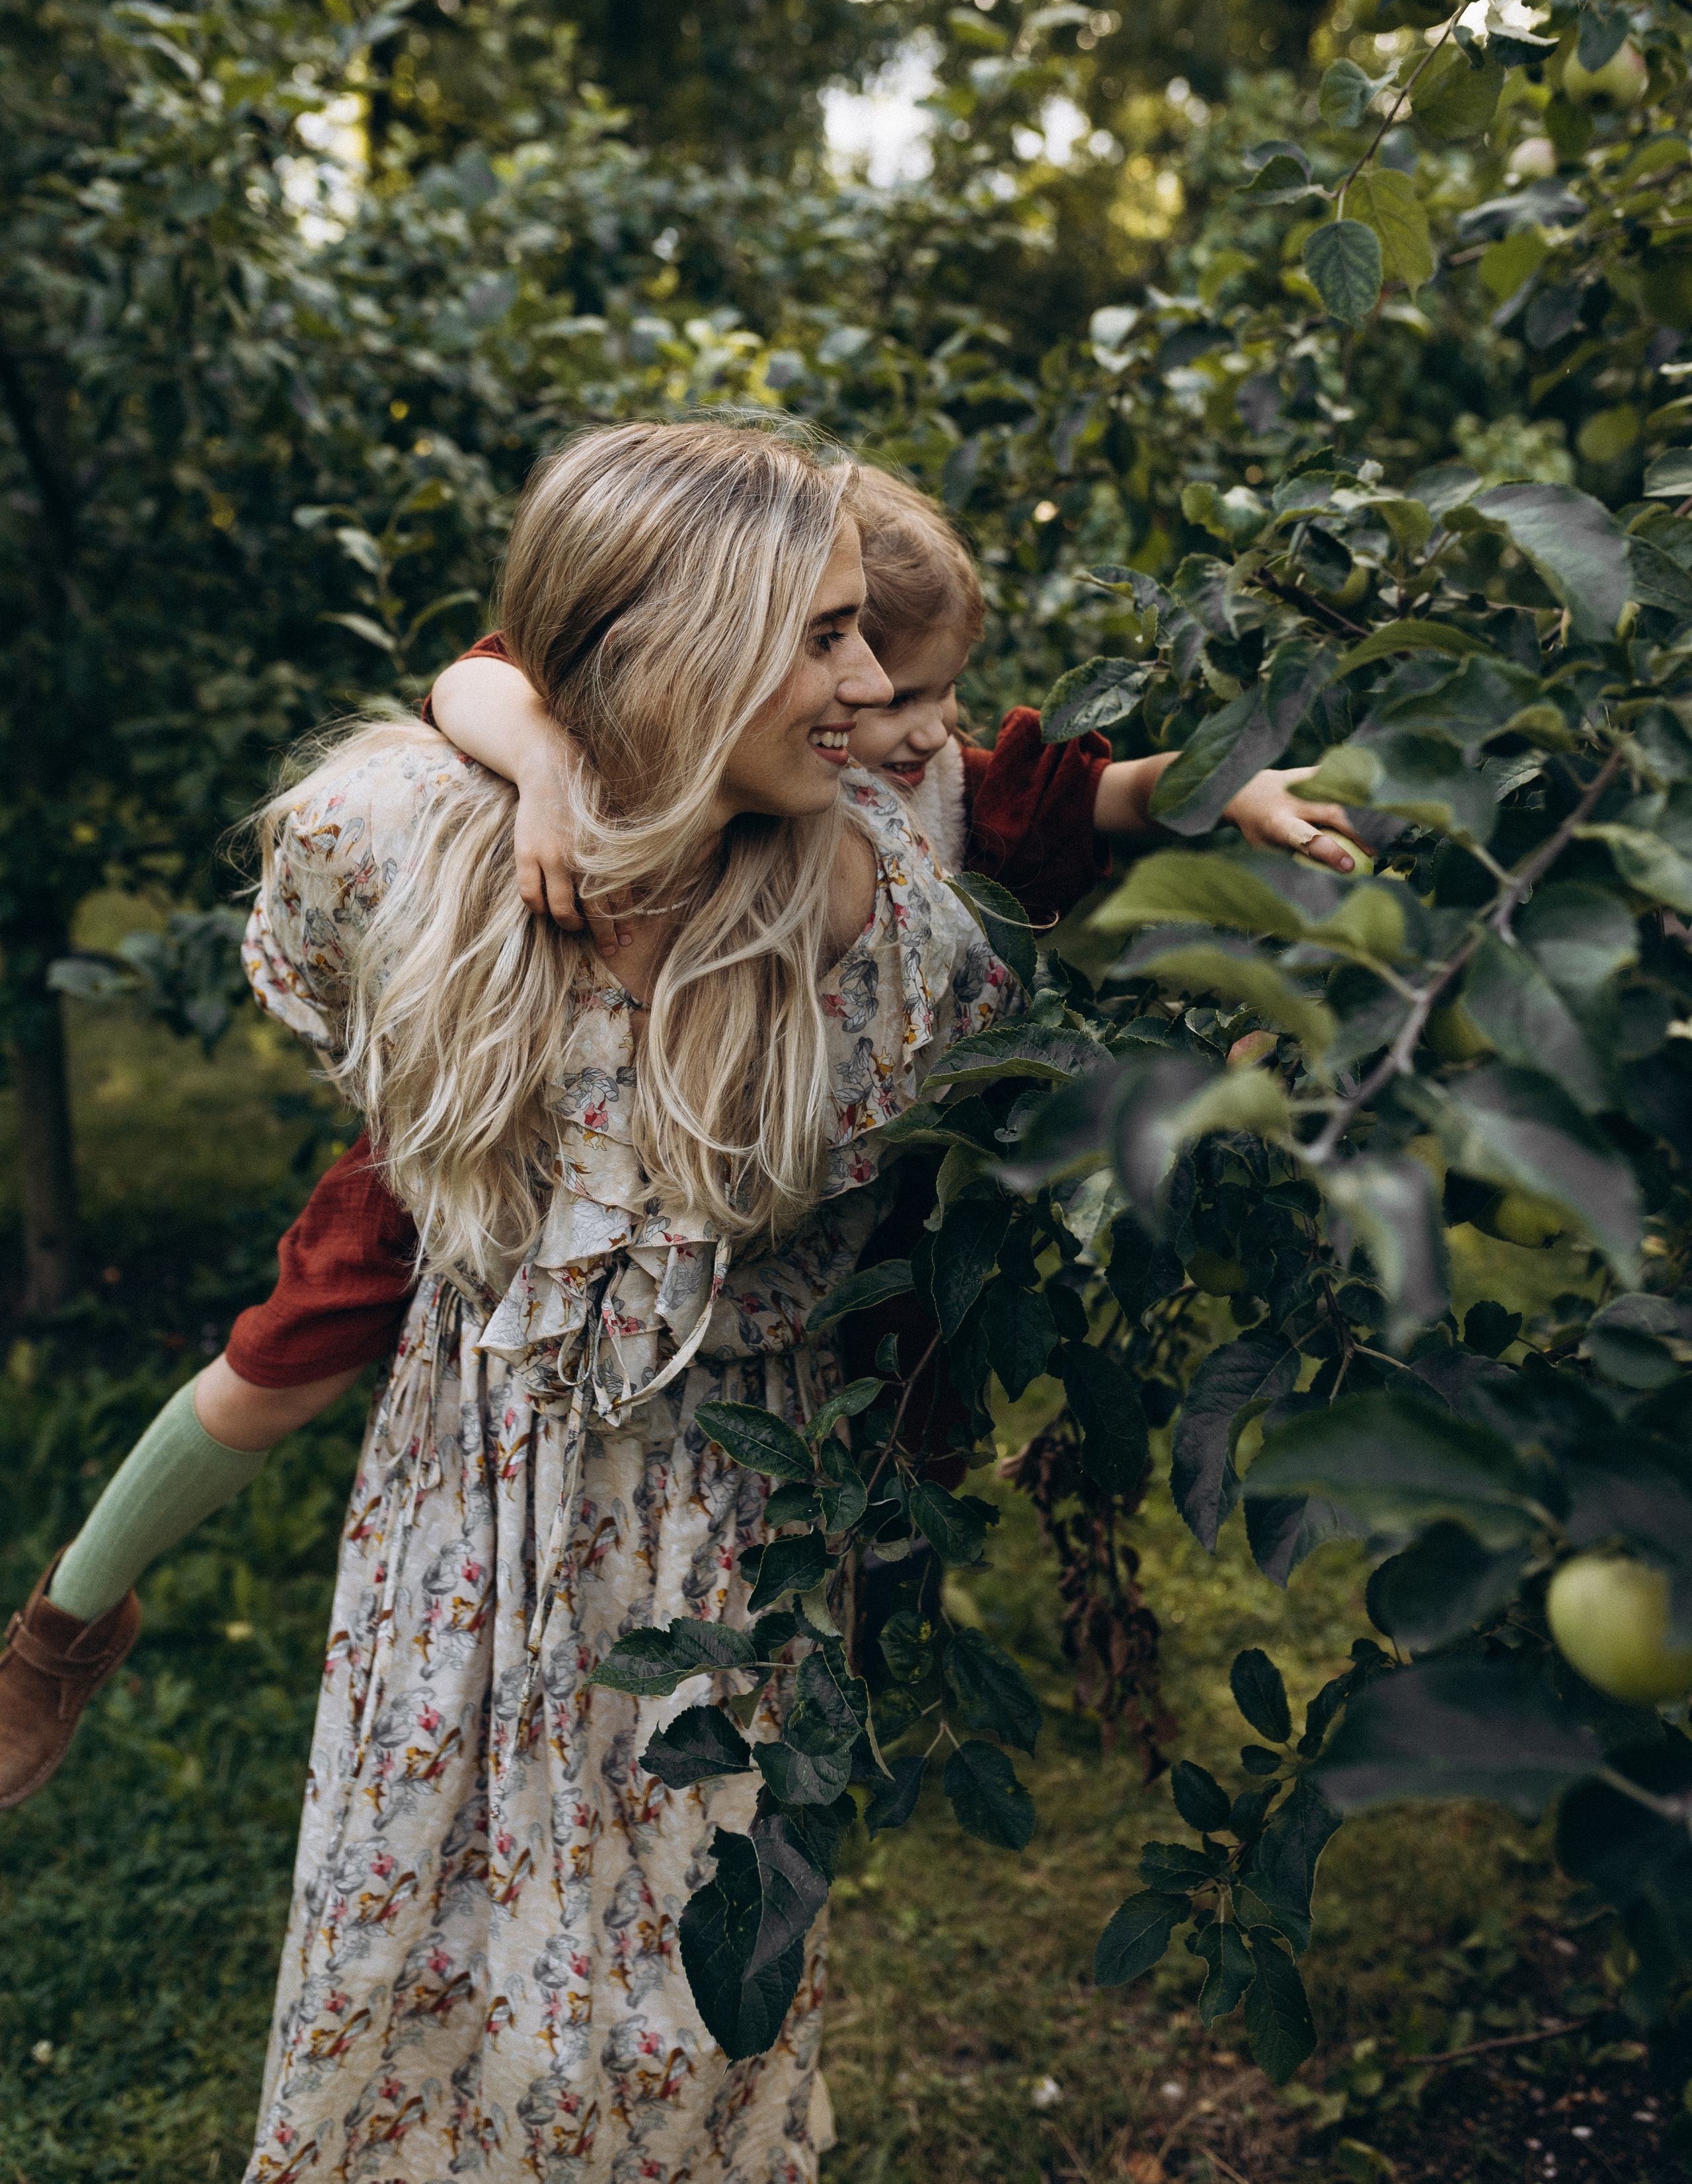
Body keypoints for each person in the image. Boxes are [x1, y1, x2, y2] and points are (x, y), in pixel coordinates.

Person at [0, 463, 1364, 1815]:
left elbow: (1078, 817)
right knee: (286, 1351)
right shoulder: (495, 813)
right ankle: (63, 1627)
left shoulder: (910, 883)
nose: (903, 715)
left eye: (919, 684)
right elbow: (497, 671)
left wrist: (1227, 812)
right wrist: (539, 770)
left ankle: (868, 1637)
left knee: (902, 1398)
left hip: (756, 1282)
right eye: (849, 653)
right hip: (494, 1160)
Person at [7, 419, 1024, 2182]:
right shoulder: (403, 846)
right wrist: (541, 769)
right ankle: (56, 1632)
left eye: (869, 631)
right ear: (670, 646)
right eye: (823, 633)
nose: (868, 686)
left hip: (715, 1544)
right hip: (459, 1515)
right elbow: (453, 740)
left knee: (670, 2019)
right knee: (412, 1939)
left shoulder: (880, 941)